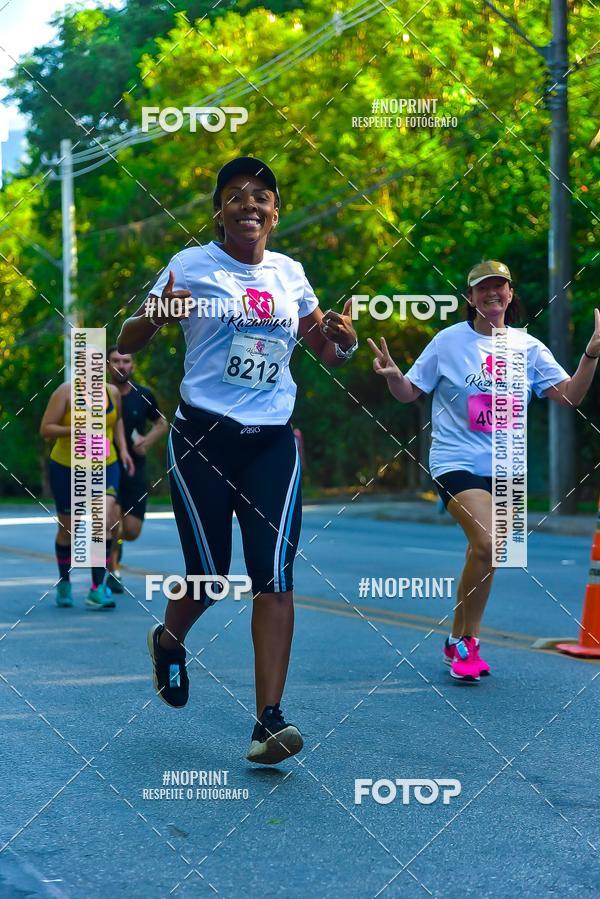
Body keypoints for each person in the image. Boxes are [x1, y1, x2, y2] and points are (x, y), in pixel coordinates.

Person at [117, 156, 358, 763]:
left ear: (276, 212)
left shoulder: (290, 273)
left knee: (273, 577)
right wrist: (158, 313)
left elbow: (323, 349)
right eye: (235, 196)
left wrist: (344, 344)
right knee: (210, 573)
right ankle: (169, 643)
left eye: (262, 197)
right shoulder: (190, 266)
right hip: (202, 438)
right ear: (219, 212)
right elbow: (127, 340)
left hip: (273, 440)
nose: (250, 205)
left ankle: (269, 722)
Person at [369, 260, 599, 682]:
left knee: (491, 554)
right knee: (489, 542)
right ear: (470, 298)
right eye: (483, 288)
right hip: (456, 461)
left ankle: (461, 639)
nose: (492, 294)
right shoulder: (448, 342)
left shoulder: (528, 347)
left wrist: (590, 355)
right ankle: (464, 642)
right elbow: (409, 393)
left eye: (500, 287)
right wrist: (392, 376)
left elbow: (569, 397)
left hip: (508, 465)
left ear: (510, 295)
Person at [40, 378, 135, 609]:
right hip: (68, 467)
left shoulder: (112, 392)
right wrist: (76, 429)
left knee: (103, 522)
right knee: (68, 530)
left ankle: (97, 589)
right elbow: (46, 429)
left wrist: (123, 450)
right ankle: (64, 582)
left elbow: (117, 422)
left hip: (105, 464)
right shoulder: (65, 392)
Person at [106, 347, 168, 594]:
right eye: (116, 361)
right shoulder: (99, 395)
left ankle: (116, 546)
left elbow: (162, 423)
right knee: (111, 521)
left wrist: (147, 440)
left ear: (132, 366)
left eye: (126, 361)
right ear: (108, 365)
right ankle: (112, 572)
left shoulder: (143, 395)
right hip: (107, 467)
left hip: (135, 470)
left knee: (130, 530)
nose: (121, 365)